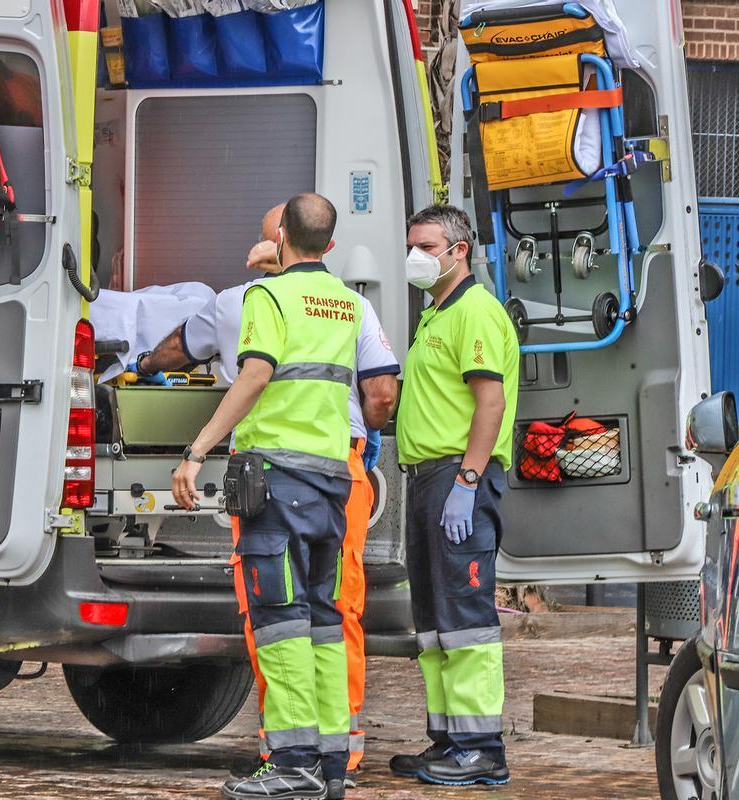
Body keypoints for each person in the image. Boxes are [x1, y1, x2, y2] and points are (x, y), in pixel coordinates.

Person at [137, 205, 399, 786]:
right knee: (326, 620)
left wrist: (197, 450)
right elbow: (381, 390)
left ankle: (290, 766)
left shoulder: (266, 299)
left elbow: (254, 375)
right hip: (333, 483)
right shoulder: (352, 304)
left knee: (279, 621)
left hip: (275, 484)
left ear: (280, 240)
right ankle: (333, 762)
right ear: (329, 245)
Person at [390, 204, 519, 787]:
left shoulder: (476, 313)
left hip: (456, 478)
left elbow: (489, 403)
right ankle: (448, 740)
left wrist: (467, 481)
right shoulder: (435, 315)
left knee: (465, 617)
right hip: (426, 480)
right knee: (435, 621)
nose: (416, 255)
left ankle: (482, 749)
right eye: (412, 244)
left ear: (458, 249)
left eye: (426, 245)